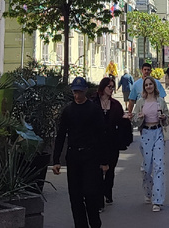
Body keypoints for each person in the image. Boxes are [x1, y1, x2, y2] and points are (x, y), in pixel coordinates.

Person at [53, 77, 110, 228]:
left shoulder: (94, 110)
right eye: (75, 92)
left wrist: (104, 161)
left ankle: (95, 223)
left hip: (90, 156)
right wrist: (56, 160)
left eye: (79, 92)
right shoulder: (68, 111)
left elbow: (102, 135)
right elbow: (61, 135)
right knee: (75, 196)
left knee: (90, 194)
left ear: (85, 91)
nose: (77, 95)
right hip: (73, 157)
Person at [131, 76, 169, 212]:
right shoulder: (140, 102)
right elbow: (134, 121)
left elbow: (167, 119)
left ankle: (157, 200)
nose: (149, 86)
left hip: (158, 132)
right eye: (146, 85)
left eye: (150, 84)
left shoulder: (160, 101)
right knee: (147, 168)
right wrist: (139, 117)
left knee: (159, 166)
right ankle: (148, 191)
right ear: (144, 88)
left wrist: (164, 118)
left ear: (154, 86)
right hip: (146, 134)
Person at [95, 75, 128, 207]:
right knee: (97, 171)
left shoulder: (115, 104)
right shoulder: (94, 103)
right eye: (109, 86)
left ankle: (107, 192)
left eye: (113, 87)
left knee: (110, 169)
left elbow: (120, 121)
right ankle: (99, 198)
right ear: (103, 87)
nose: (111, 89)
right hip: (97, 143)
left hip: (112, 142)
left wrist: (125, 119)